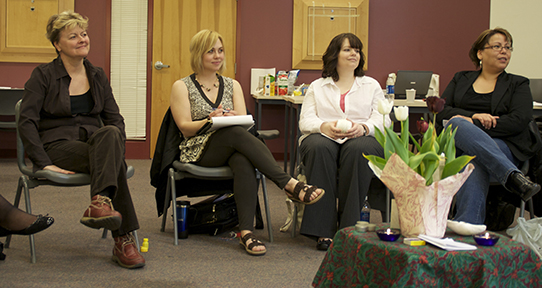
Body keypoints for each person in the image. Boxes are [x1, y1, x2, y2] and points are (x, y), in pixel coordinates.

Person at [169, 29, 325, 256]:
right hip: (198, 150)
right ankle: (289, 184)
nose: (217, 56)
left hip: (232, 143)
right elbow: (184, 127)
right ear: (198, 54)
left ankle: (246, 233)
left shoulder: (232, 85)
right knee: (234, 135)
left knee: (242, 158)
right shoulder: (182, 86)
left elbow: (243, 123)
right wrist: (209, 120)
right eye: (210, 51)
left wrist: (231, 119)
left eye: (220, 51)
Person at [18, 11, 144, 268]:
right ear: (57, 44)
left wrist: (116, 149)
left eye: (84, 34)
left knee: (110, 132)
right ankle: (124, 240)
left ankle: (99, 203)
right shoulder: (42, 75)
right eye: (73, 36)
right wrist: (43, 162)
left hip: (94, 143)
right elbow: (26, 122)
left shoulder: (97, 75)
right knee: (114, 164)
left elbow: (115, 119)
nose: (81, 39)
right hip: (56, 146)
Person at [436, 27, 540, 233]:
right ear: (480, 53)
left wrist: (473, 126)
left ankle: (468, 225)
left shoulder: (518, 83)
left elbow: (519, 121)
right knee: (456, 123)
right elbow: (441, 110)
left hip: (504, 147)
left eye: (508, 48)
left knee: (472, 156)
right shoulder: (461, 78)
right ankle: (513, 178)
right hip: (458, 147)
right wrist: (472, 117)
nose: (504, 51)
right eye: (497, 46)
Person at [298, 33, 390, 250]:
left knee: (360, 149)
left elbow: (383, 119)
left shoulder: (371, 85)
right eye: (348, 49)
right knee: (318, 146)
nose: (354, 54)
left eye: (357, 50)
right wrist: (324, 127)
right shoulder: (317, 86)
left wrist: (364, 127)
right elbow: (306, 120)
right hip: (325, 137)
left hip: (362, 138)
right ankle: (323, 230)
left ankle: (349, 229)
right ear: (335, 54)